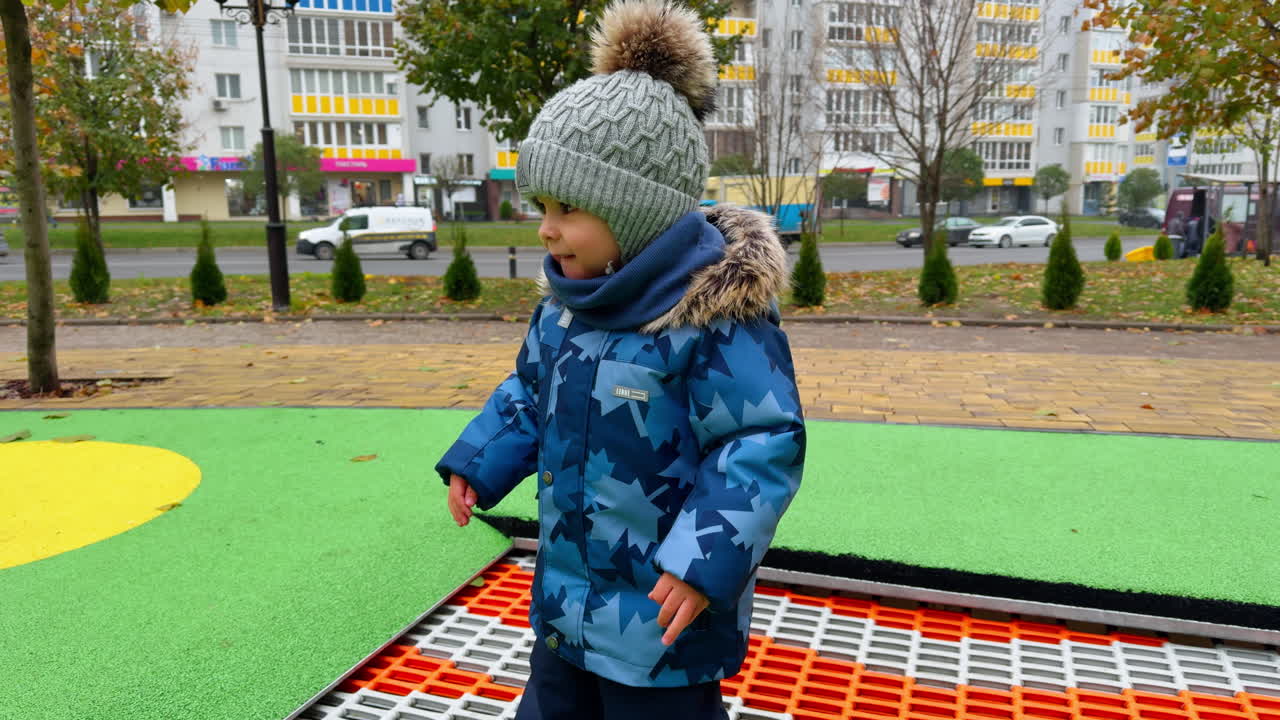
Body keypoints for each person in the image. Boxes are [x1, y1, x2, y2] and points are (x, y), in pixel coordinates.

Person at [434, 2, 806, 718]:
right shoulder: (567, 309)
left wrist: (702, 565)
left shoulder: (713, 320)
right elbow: (528, 393)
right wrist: (476, 461)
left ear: (635, 211)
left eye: (568, 207)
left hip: (660, 621)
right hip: (568, 602)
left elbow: (760, 442)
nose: (546, 227)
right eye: (540, 203)